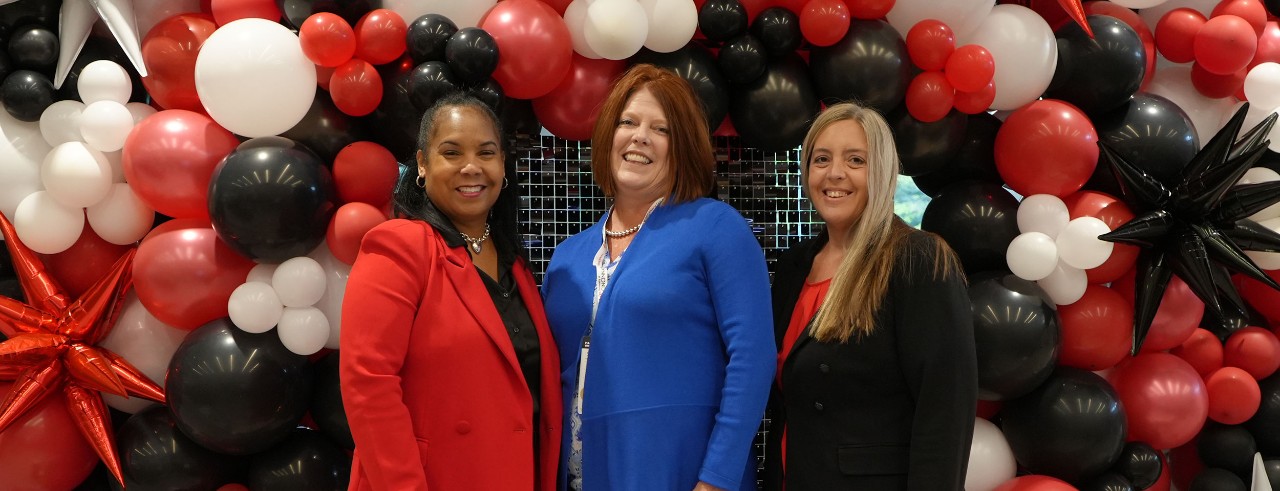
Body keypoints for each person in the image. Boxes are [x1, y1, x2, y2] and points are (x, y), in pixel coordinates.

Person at [540, 64, 775, 491]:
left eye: (660, 128)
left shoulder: (717, 227)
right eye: (627, 122)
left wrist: (716, 478)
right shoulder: (566, 257)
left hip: (683, 474)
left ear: (682, 145)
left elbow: (753, 358)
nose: (639, 136)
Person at [340, 93, 561, 491]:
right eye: (452, 152)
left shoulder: (516, 266)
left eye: (486, 152)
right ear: (422, 164)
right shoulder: (399, 247)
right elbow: (368, 385)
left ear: (503, 164)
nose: (472, 167)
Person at [762, 102, 978, 490]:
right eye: (821, 159)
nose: (835, 174)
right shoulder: (795, 265)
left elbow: (945, 411)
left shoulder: (917, 259)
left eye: (856, 160)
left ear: (882, 171)